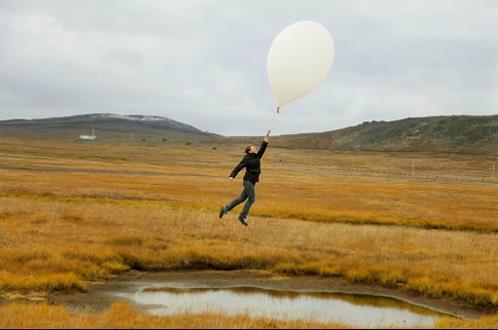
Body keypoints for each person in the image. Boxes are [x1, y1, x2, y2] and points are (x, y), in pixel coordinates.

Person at [219, 130, 270, 226]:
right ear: (249, 151)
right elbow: (239, 166)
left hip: (253, 181)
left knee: (242, 198)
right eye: (253, 148)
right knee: (252, 199)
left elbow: (263, 147)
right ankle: (242, 216)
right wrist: (232, 175)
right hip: (248, 181)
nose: (255, 148)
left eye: (254, 147)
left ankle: (225, 208)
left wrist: (266, 137)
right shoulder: (246, 158)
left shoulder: (257, 156)